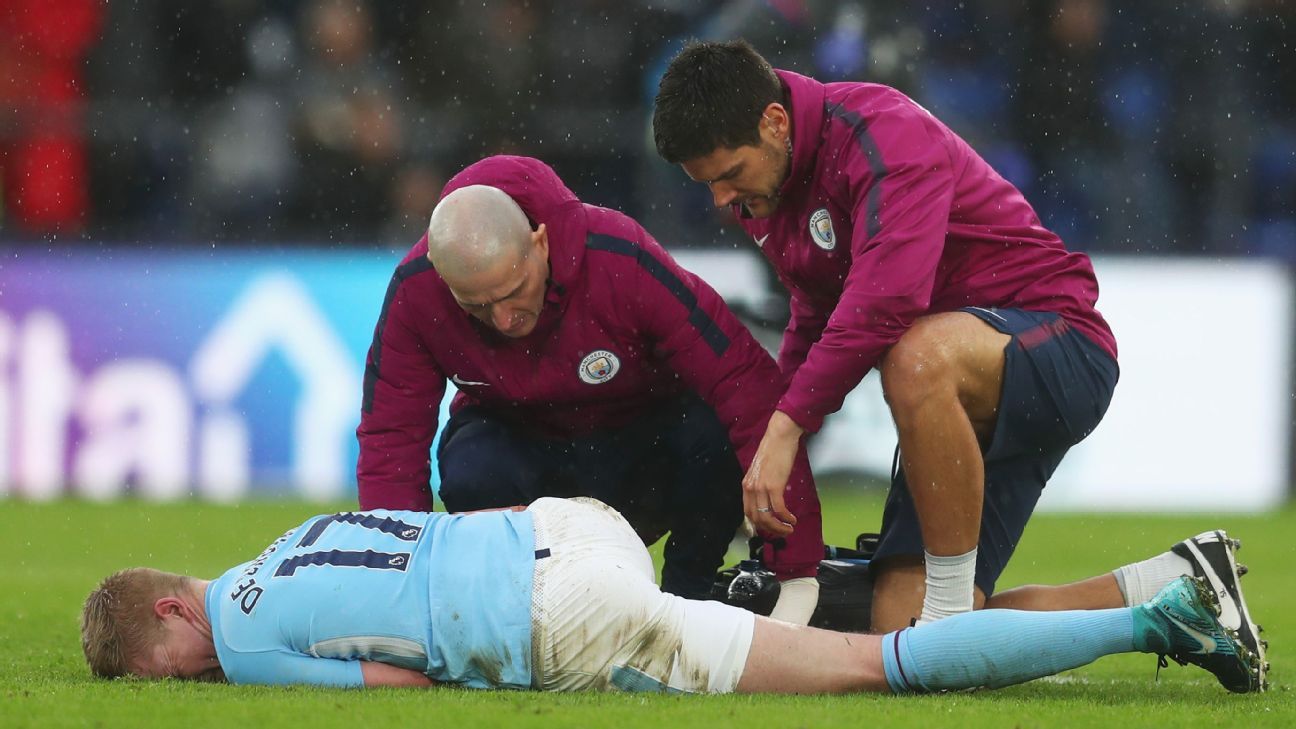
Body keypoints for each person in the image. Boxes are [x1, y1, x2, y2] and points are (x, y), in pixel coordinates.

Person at [650, 40, 1168, 632]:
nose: (722, 199)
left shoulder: (883, 131)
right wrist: (774, 438)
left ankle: (945, 614)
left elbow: (886, 302)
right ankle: (1166, 593)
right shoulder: (773, 185)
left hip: (1058, 344)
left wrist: (787, 426)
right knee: (896, 625)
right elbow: (815, 315)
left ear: (773, 122)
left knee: (914, 355)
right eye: (707, 185)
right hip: (958, 398)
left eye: (730, 175)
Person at [79, 498, 1266, 694]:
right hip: (573, 530)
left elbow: (390, 682)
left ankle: (1157, 621)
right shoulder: (293, 537)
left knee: (878, 666)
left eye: (159, 675)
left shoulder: (236, 638)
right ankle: (1165, 576)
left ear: (175, 616)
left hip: (564, 623)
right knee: (823, 627)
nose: (182, 686)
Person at [355, 155, 823, 617]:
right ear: (440, 272)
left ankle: (688, 603)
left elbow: (740, 379)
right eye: (476, 306)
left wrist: (796, 567)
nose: (504, 319)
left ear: (539, 243)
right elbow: (390, 439)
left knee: (713, 432)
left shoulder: (620, 257)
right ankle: (518, 614)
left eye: (513, 291)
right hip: (522, 459)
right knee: (469, 464)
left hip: (645, 454)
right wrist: (398, 590)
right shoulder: (416, 291)